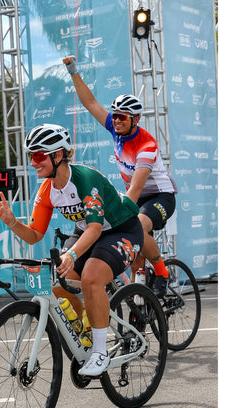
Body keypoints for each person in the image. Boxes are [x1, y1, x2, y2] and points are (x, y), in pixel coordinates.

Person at [0, 123, 143, 377]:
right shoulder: (47, 190)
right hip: (88, 231)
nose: (33, 163)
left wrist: (71, 254)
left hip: (121, 229)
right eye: (31, 156)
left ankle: (99, 352)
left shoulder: (85, 179)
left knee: (91, 278)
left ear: (58, 155)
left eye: (38, 156)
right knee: (59, 287)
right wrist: (12, 222)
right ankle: (87, 328)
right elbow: (34, 235)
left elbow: (95, 228)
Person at [62, 56, 177, 297]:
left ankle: (162, 272)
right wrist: (73, 71)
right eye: (114, 115)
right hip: (137, 196)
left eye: (122, 117)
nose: (116, 120)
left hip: (160, 196)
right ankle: (139, 296)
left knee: (138, 225)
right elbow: (90, 102)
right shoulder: (115, 129)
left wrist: (118, 219)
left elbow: (135, 190)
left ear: (135, 120)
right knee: (134, 255)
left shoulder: (146, 145)